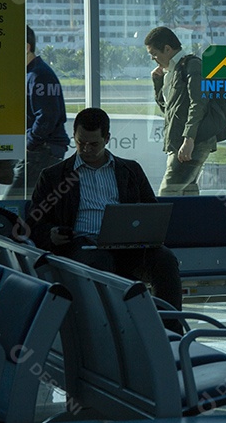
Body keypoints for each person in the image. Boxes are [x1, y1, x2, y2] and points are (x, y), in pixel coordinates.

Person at [26, 107, 183, 331]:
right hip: (82, 244)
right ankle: (111, 332)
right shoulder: (53, 177)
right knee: (99, 262)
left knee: (165, 260)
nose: (86, 149)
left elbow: (151, 211)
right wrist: (51, 234)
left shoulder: (130, 170)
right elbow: (33, 224)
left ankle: (169, 332)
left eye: (94, 144)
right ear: (75, 137)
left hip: (127, 244)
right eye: (81, 143)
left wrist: (143, 232)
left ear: (107, 139)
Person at [145, 26, 215, 196]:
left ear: (167, 49)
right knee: (187, 194)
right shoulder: (173, 71)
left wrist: (188, 140)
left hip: (193, 142)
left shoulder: (191, 66)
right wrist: (158, 83)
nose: (154, 59)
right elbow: (168, 110)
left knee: (167, 193)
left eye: (154, 54)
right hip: (181, 142)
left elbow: (199, 104)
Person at [4, 26, 69, 199]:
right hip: (40, 151)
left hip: (41, 152)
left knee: (12, 203)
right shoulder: (33, 73)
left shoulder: (38, 75)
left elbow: (47, 117)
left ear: (26, 47)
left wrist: (29, 143)